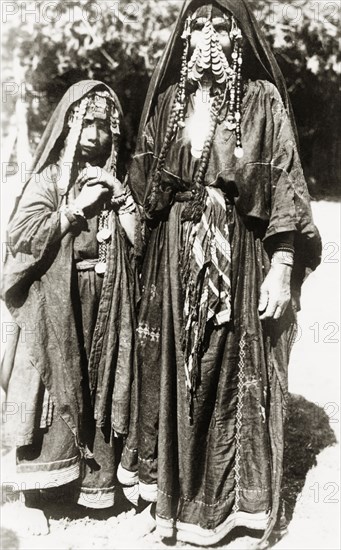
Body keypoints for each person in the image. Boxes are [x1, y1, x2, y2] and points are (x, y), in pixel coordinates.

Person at [117, 1, 322, 548]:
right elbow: (143, 187)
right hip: (173, 255)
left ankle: (226, 505)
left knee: (227, 368)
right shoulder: (168, 102)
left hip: (240, 254)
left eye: (219, 25)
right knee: (173, 368)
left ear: (238, 36)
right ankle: (169, 497)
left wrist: (281, 267)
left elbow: (285, 187)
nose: (207, 36)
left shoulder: (262, 101)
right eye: (197, 25)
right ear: (184, 39)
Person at [1, 80, 137, 534]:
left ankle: (95, 487)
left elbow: (145, 245)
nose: (95, 137)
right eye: (87, 125)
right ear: (68, 127)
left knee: (98, 386)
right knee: (52, 390)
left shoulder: (119, 183)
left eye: (105, 127)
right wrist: (74, 208)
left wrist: (118, 195)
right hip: (55, 307)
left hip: (105, 305)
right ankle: (35, 491)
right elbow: (20, 239)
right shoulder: (47, 181)